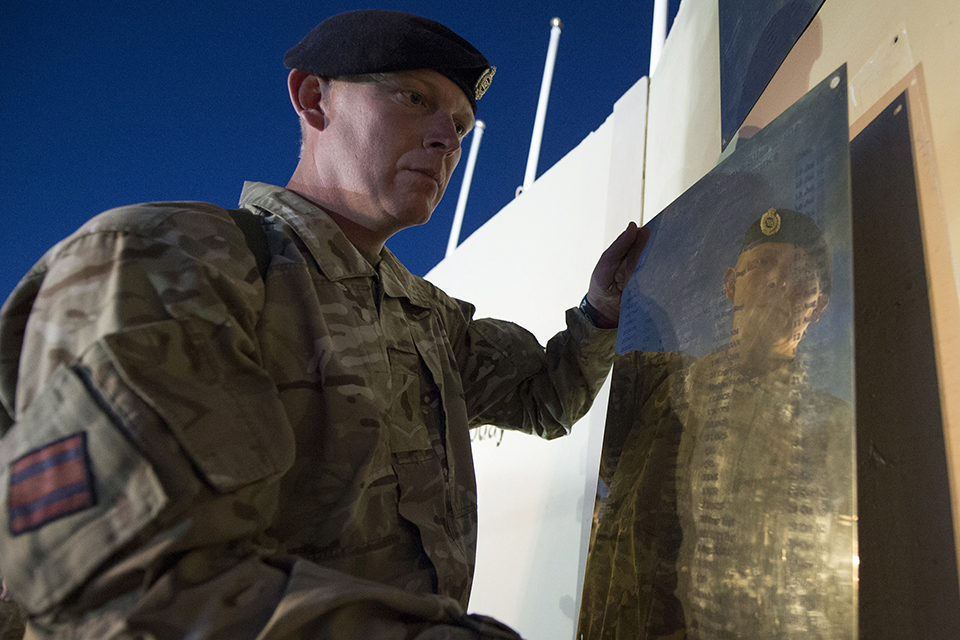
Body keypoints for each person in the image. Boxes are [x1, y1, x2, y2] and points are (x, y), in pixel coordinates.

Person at [0, 9, 648, 640]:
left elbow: (546, 397)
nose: (447, 140)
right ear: (314, 99)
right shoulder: (165, 258)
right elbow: (116, 587)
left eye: (460, 124)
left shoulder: (426, 318)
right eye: (414, 98)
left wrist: (600, 312)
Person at [578, 209, 856, 639]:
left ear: (817, 306)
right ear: (730, 283)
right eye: (762, 262)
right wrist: (600, 309)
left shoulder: (836, 430)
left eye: (799, 273)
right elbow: (562, 398)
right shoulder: (653, 385)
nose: (777, 281)